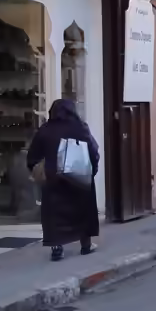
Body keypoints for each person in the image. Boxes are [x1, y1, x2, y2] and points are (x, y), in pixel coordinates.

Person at [26, 98, 100, 261]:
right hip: (79, 178)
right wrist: (92, 171)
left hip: (54, 179)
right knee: (83, 212)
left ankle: (56, 248)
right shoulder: (81, 128)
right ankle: (86, 245)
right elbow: (93, 151)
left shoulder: (45, 130)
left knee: (54, 215)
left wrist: (38, 170)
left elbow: (33, 156)